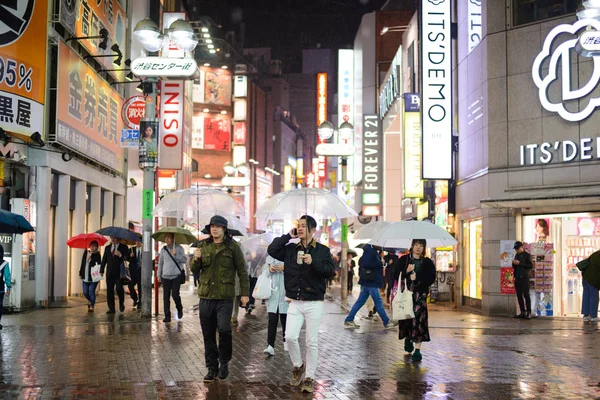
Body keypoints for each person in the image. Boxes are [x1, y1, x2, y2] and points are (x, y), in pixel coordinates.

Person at [267, 215, 335, 394]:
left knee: (311, 342)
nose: (300, 228)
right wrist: (287, 235)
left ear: (313, 230)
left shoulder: (322, 250)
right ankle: (298, 366)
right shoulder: (290, 249)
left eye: (303, 226)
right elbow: (272, 250)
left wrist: (313, 263)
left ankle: (310, 377)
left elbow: (330, 271)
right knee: (289, 337)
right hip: (295, 301)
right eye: (298, 226)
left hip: (314, 302)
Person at [190, 215, 249, 383]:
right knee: (208, 334)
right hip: (206, 296)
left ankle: (224, 362)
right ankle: (211, 367)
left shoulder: (233, 248)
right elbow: (195, 269)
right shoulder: (203, 246)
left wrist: (244, 294)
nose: (214, 229)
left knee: (224, 329)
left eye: (218, 226)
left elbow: (242, 271)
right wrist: (196, 259)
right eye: (212, 226)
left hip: (224, 296)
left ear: (224, 229)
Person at [393, 239, 436, 362]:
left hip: (420, 296)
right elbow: (395, 275)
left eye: (421, 246)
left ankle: (417, 350)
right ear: (412, 246)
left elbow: (431, 278)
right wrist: (406, 271)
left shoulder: (427, 262)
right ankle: (408, 339)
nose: (418, 248)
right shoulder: (404, 260)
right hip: (406, 296)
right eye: (416, 245)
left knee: (420, 321)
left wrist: (418, 278)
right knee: (407, 319)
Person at [344, 244, 397, 330]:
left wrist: (382, 262)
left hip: (368, 282)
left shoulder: (371, 251)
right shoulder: (370, 251)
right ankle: (387, 322)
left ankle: (349, 320)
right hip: (371, 282)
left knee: (360, 302)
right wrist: (380, 263)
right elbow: (367, 264)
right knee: (378, 302)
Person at [158, 233, 187, 323]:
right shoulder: (163, 250)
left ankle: (179, 308)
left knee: (175, 295)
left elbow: (184, 260)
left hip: (176, 276)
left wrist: (176, 255)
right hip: (165, 276)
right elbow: (160, 263)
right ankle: (167, 316)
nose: (166, 240)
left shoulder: (179, 248)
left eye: (169, 238)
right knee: (165, 297)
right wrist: (159, 275)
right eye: (165, 238)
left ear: (173, 238)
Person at [263, 255, 289, 356]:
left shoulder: (289, 256)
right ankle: (270, 346)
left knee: (285, 318)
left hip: (285, 293)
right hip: (273, 294)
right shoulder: (269, 258)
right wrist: (270, 269)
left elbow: (294, 272)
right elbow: (265, 273)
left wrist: (284, 268)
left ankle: (286, 341)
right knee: (272, 320)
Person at [100, 237, 129, 314]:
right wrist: (101, 270)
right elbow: (104, 259)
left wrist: (120, 255)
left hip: (119, 273)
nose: (113, 239)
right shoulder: (107, 248)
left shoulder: (124, 247)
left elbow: (128, 258)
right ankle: (111, 308)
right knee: (109, 291)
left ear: (119, 239)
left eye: (115, 238)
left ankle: (121, 302)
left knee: (119, 288)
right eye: (112, 238)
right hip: (109, 273)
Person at [512, 241, 533, 319]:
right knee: (519, 295)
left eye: (517, 249)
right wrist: (514, 263)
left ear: (522, 247)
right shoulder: (516, 255)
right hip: (517, 278)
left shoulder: (527, 255)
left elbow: (530, 266)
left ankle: (528, 312)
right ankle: (522, 311)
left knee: (526, 295)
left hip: (524, 278)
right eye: (515, 249)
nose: (516, 250)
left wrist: (519, 263)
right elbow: (515, 266)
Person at [79, 240, 102, 312]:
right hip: (85, 276)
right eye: (91, 246)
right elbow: (82, 263)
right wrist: (80, 273)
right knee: (85, 292)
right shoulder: (86, 253)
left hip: (93, 277)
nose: (92, 247)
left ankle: (92, 305)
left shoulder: (98, 255)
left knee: (91, 291)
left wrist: (90, 260)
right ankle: (91, 301)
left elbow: (98, 264)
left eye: (94, 246)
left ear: (96, 248)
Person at [128, 241, 142, 308]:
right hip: (133, 271)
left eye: (138, 241)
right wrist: (130, 256)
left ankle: (140, 302)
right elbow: (126, 258)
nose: (137, 242)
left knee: (140, 287)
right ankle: (135, 298)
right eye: (136, 241)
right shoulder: (132, 249)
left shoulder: (144, 250)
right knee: (130, 285)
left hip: (141, 271)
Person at [0, 245, 11, 329]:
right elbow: (7, 276)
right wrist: (9, 287)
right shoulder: (4, 264)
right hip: (0, 289)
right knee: (0, 305)